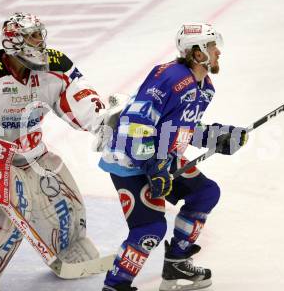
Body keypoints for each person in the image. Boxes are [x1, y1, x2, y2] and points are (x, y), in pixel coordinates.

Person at [0, 12, 106, 290]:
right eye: (32, 36)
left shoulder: (57, 66)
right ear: (14, 42)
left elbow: (79, 101)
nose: (40, 42)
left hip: (34, 152)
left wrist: (103, 122)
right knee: (3, 216)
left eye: (39, 34)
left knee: (64, 200)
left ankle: (70, 249)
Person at [98, 23, 249, 291]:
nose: (218, 53)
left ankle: (176, 262)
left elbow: (181, 130)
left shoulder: (205, 87)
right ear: (197, 52)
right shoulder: (168, 77)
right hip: (129, 160)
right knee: (150, 229)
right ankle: (114, 286)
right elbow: (136, 122)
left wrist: (217, 137)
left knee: (205, 193)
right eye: (213, 47)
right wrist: (153, 166)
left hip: (159, 156)